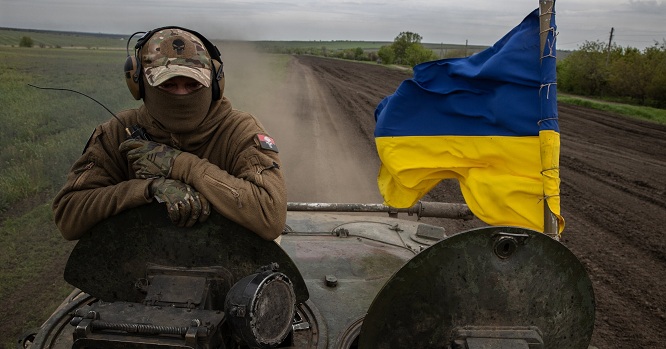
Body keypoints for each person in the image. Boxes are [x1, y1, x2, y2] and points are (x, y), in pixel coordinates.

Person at [52, 27, 287, 241]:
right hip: (143, 267)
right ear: (140, 86)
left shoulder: (239, 130)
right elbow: (68, 215)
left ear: (215, 84)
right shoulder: (118, 131)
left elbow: (270, 216)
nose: (181, 94)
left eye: (193, 85)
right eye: (168, 85)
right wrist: (147, 189)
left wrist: (182, 165)